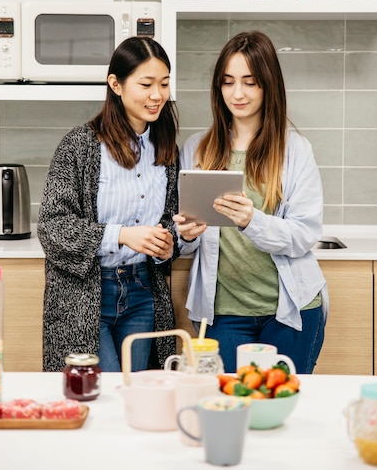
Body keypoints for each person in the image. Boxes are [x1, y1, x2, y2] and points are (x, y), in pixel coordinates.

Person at [173, 30, 328, 374]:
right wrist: (187, 234)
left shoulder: (295, 150)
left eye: (250, 82)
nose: (237, 93)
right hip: (225, 314)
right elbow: (184, 242)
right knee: (230, 406)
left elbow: (304, 234)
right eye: (228, 82)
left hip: (290, 311)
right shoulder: (197, 149)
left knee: (280, 409)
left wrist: (250, 221)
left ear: (267, 86)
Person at [38, 36, 180, 372]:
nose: (157, 95)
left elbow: (170, 220)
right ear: (115, 84)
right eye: (146, 84)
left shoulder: (164, 147)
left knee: (137, 394)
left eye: (164, 83)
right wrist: (122, 235)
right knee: (103, 394)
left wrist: (170, 240)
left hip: (144, 292)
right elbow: (52, 226)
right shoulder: (79, 146)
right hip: (86, 295)